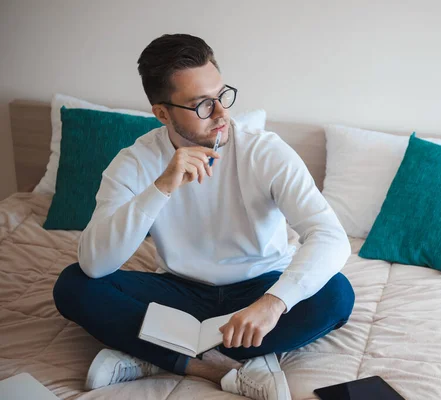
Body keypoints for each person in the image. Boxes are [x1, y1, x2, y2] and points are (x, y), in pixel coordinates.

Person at [52, 33, 354, 400]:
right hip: (179, 290)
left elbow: (330, 236)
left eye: (222, 95)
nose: (223, 114)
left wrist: (273, 304)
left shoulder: (266, 152)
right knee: (73, 285)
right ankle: (208, 365)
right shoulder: (134, 162)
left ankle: (155, 355)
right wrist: (161, 186)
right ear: (162, 112)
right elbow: (95, 263)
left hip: (258, 286)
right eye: (203, 105)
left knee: (337, 294)